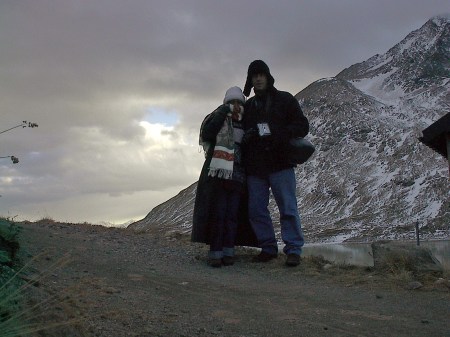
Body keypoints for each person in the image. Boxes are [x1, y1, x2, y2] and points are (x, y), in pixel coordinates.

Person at [241, 60, 309, 267]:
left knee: (288, 208)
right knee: (256, 210)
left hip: (281, 163)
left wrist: (279, 132)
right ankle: (268, 248)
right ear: (250, 80)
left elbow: (302, 126)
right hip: (256, 167)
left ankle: (293, 250)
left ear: (268, 77)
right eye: (254, 76)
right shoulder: (248, 107)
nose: (258, 78)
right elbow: (242, 133)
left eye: (261, 74)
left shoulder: (285, 100)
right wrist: (249, 137)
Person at [192, 86, 257, 268]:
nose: (235, 106)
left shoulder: (245, 124)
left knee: (232, 216)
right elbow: (208, 133)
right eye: (231, 102)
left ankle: (229, 251)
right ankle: (215, 253)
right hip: (219, 177)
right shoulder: (218, 119)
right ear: (225, 104)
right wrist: (223, 111)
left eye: (238, 103)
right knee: (218, 214)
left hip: (238, 177)